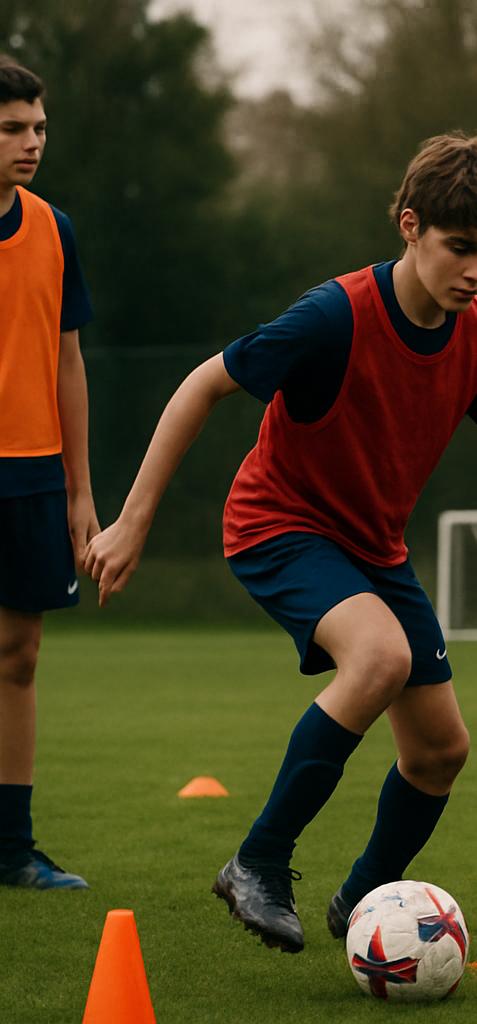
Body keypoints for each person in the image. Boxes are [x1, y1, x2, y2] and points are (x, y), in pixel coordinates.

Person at [85, 133, 477, 953]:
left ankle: (361, 904)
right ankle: (258, 860)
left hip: (373, 548)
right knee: (381, 658)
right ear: (409, 225)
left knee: (439, 751)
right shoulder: (333, 317)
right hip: (278, 524)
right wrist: (133, 518)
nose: (474, 270)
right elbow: (202, 386)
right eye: (459, 248)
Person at [0, 55, 98, 891]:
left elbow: (69, 362)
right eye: (13, 129)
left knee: (20, 654)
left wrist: (80, 493)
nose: (32, 143)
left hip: (31, 474)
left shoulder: (54, 228)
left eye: (37, 127)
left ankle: (11, 848)